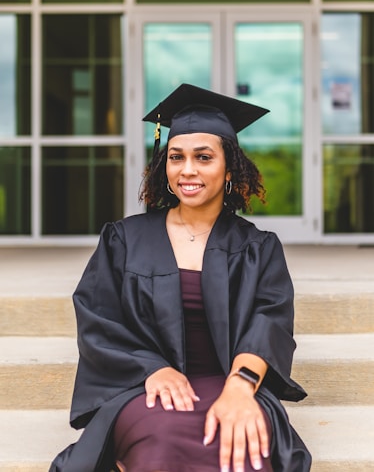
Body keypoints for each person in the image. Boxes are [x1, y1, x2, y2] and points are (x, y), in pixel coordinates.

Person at [50, 84, 312, 472]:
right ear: (165, 167)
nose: (187, 169)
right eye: (176, 157)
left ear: (229, 169)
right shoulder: (124, 239)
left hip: (231, 382)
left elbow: (269, 320)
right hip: (145, 386)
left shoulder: (258, 247)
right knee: (163, 440)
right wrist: (152, 368)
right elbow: (98, 317)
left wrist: (241, 388)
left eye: (203, 157)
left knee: (241, 445)